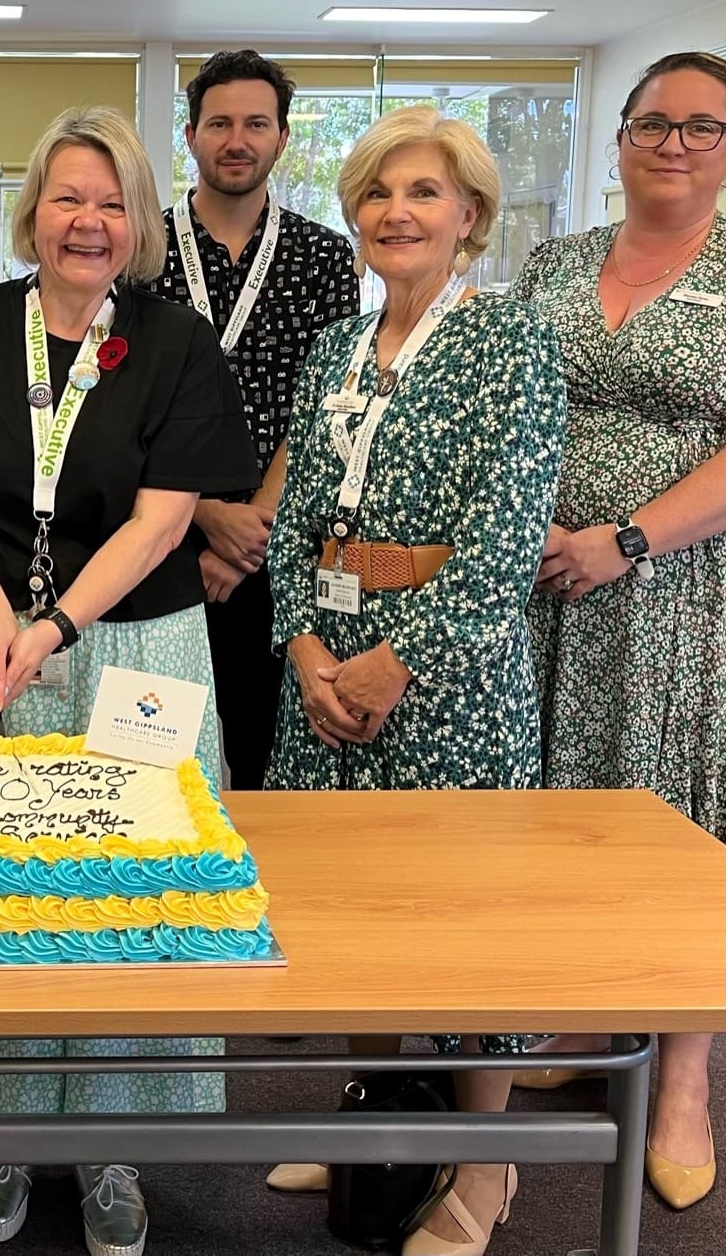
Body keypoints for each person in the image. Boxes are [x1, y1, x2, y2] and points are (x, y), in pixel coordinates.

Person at [0, 105, 258, 1256]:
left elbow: (165, 516)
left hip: (133, 650)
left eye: (113, 201)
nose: (88, 221)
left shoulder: (175, 339)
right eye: (67, 198)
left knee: (133, 892)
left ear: (138, 222)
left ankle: (118, 1138)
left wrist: (60, 624)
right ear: (31, 211)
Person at [510, 51, 726, 1214]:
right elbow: (505, 400)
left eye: (703, 130)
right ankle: (588, 1010)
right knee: (560, 812)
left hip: (685, 597)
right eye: (652, 123)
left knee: (683, 816)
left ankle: (686, 1071)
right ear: (619, 137)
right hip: (549, 588)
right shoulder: (550, 263)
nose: (672, 145)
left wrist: (627, 538)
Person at [263, 105, 566, 1256]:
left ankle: (485, 1165)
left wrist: (393, 663)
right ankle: (375, 1122)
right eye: (376, 195)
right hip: (325, 673)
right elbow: (292, 526)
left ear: (470, 218)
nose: (397, 213)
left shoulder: (511, 344)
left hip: (450, 682)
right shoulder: (332, 348)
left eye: (424, 194)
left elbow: (501, 547)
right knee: (348, 923)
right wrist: (304, 650)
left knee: (465, 931)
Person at [147, 49, 359, 790]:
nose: (236, 139)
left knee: (269, 753)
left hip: (278, 550)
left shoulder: (325, 257)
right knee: (153, 748)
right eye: (219, 123)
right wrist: (206, 516)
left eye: (255, 124)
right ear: (190, 136)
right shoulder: (140, 251)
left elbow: (325, 402)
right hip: (153, 540)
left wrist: (248, 534)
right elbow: (116, 409)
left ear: (282, 136)